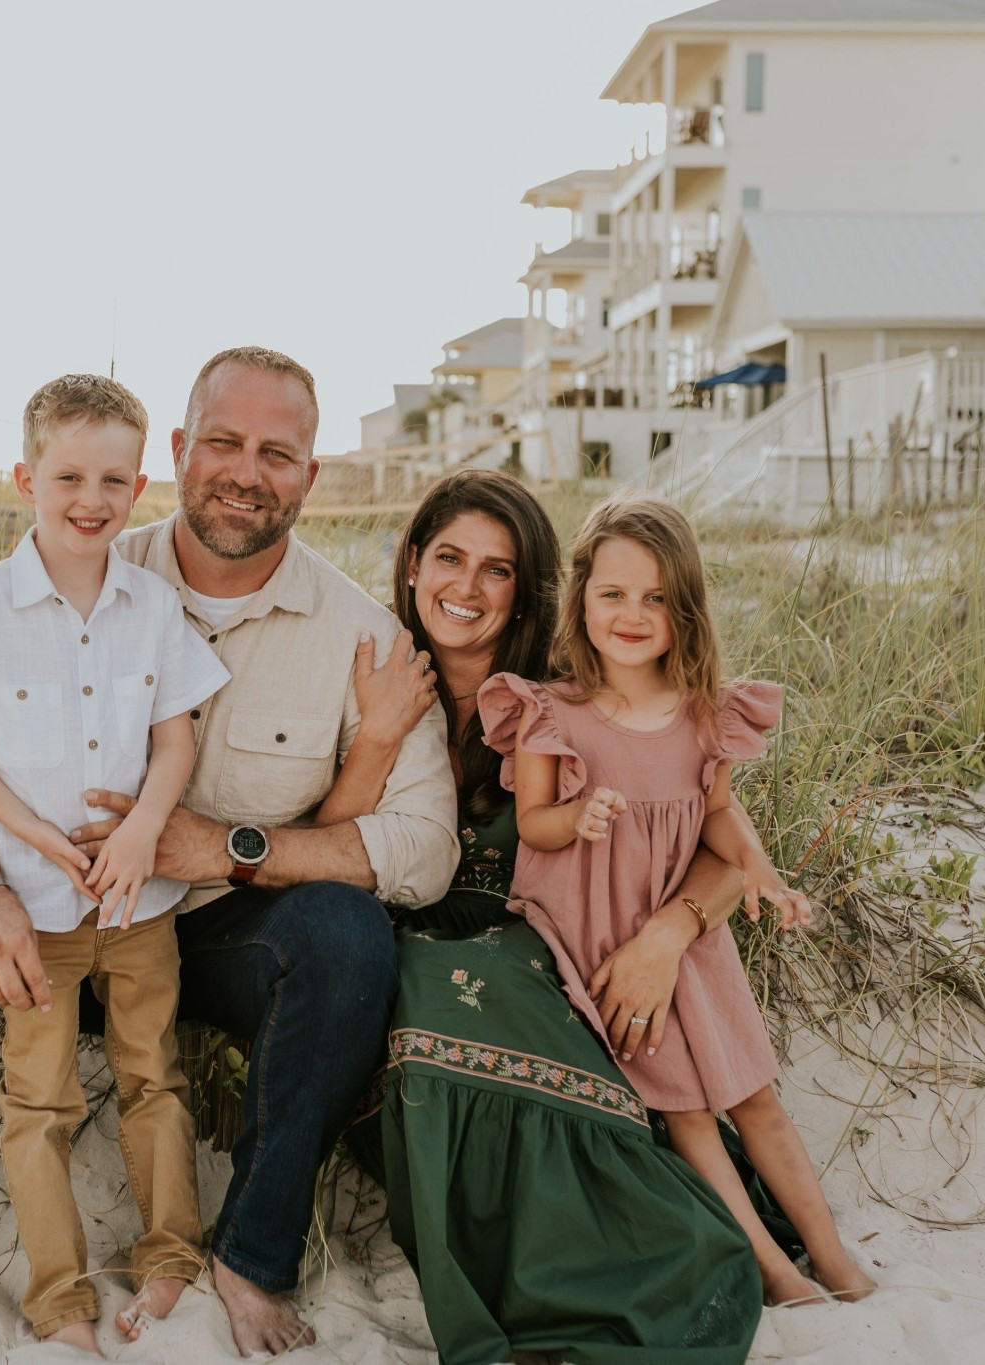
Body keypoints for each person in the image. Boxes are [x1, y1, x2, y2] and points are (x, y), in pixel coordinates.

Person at [0, 346, 460, 1355]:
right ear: (178, 451)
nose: (244, 470)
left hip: (196, 937)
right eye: (221, 441)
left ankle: (249, 1255)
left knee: (347, 935)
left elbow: (423, 849)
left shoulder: (357, 637)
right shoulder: (79, 561)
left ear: (310, 475)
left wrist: (220, 846)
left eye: (277, 452)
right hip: (47, 913)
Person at [327, 471, 777, 1364]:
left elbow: (717, 847)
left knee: (507, 995)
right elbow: (326, 848)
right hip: (402, 927)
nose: (467, 586)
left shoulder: (564, 697)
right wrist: (377, 734)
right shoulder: (360, 672)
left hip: (546, 930)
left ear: (529, 586)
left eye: (498, 569)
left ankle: (663, 1254)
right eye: (449, 558)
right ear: (412, 564)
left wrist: (667, 933)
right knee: (422, 1002)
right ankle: (519, 1276)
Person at [477, 490, 877, 1308]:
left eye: (656, 598)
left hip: (690, 941)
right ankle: (773, 1268)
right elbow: (535, 826)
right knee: (691, 1113)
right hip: (596, 935)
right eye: (613, 593)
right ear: (581, 595)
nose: (632, 613)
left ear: (684, 609)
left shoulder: (705, 715)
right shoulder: (551, 713)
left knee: (753, 1094)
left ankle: (831, 1254)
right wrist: (576, 816)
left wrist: (760, 870)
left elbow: (722, 816)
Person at [0, 373, 230, 1351]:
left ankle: (170, 1257)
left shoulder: (151, 604)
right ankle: (57, 1301)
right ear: (25, 478)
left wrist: (140, 832)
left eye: (114, 480)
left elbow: (177, 740)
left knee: (151, 1077)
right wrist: (29, 837)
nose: (92, 500)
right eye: (70, 476)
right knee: (36, 1102)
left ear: (140, 488)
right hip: (36, 908)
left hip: (139, 902)